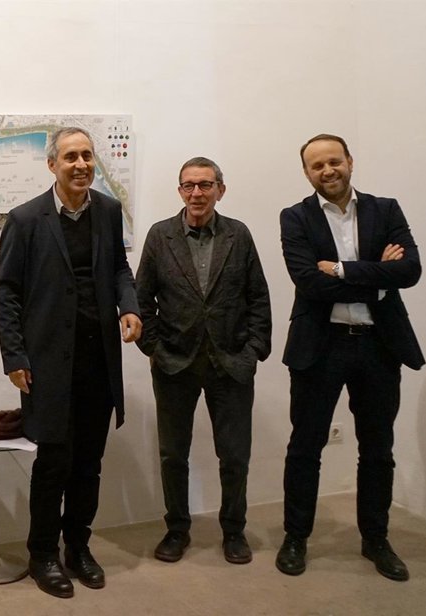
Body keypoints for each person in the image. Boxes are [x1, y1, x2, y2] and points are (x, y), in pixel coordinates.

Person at [0, 127, 141, 598]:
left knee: (88, 464)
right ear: (52, 164)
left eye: (87, 156)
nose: (81, 165)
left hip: (98, 361)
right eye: (71, 156)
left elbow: (119, 268)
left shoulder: (108, 211)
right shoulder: (25, 219)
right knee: (53, 463)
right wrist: (14, 355)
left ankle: (78, 547)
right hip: (48, 365)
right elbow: (7, 292)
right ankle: (42, 554)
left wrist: (130, 305)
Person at [275, 133, 424, 582]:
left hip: (379, 345)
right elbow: (308, 282)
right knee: (305, 447)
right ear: (306, 172)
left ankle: (375, 538)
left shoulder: (386, 210)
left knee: (378, 449)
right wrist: (379, 279)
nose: (328, 171)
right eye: (317, 165)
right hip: (320, 346)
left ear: (350, 161)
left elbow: (409, 271)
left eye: (334, 161)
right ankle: (296, 537)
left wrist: (342, 269)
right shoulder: (295, 217)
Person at [135, 157, 272, 565]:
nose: (197, 193)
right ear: (180, 191)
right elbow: (142, 300)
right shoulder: (160, 236)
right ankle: (177, 529)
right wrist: (154, 348)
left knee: (234, 456)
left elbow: (258, 297)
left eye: (205, 185)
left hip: (230, 362)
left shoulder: (238, 235)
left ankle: (234, 531)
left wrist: (253, 351)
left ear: (220, 190)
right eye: (189, 185)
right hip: (174, 363)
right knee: (173, 455)